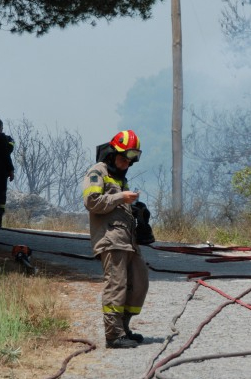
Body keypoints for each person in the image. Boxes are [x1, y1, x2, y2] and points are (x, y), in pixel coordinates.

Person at [82, 130, 149, 349]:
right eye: (122, 159)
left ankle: (124, 327)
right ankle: (113, 334)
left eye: (130, 162)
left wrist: (138, 210)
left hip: (128, 240)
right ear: (112, 153)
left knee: (139, 283)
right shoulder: (97, 172)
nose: (126, 164)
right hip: (111, 239)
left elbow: (120, 206)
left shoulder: (121, 178)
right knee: (116, 285)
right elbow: (92, 201)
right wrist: (121, 197)